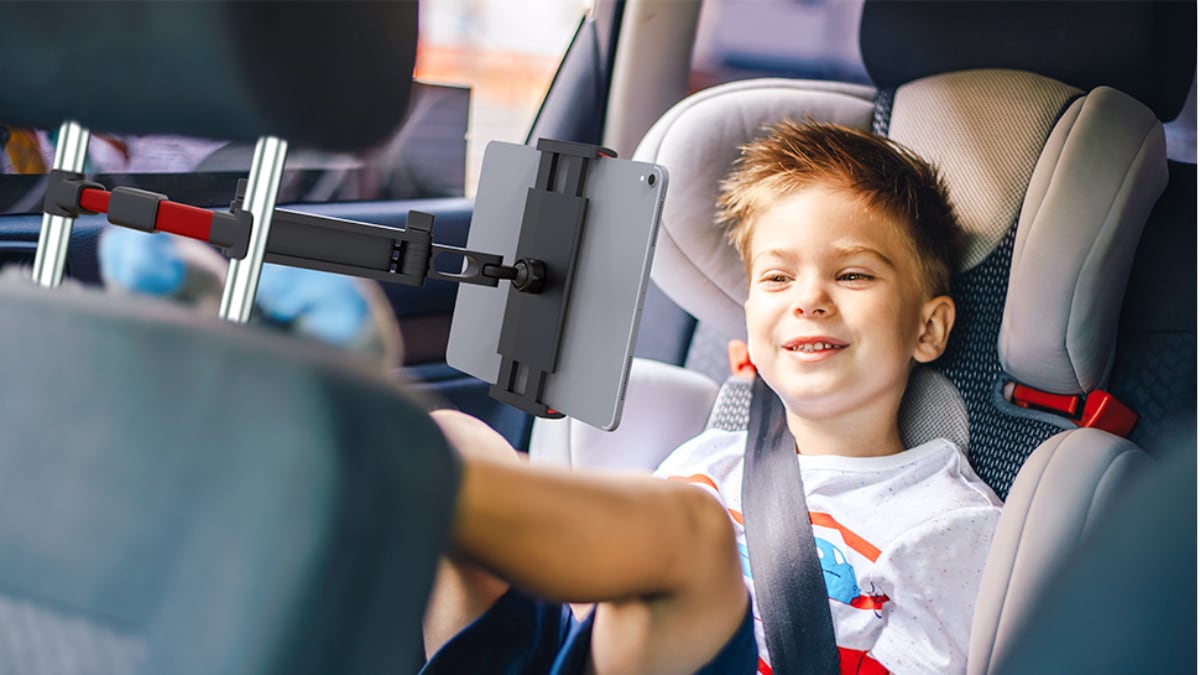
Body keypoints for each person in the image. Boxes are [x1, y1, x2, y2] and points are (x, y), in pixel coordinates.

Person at [425, 119, 1001, 675]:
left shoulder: (948, 521)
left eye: (852, 275)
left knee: (691, 530)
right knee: (454, 440)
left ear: (927, 329)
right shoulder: (708, 460)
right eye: (777, 279)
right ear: (750, 315)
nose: (810, 299)